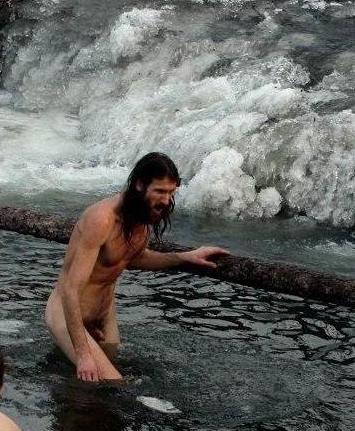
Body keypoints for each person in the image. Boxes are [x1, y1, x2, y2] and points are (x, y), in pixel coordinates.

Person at [45, 153, 228, 382]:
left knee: (102, 383)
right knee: (114, 383)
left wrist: (185, 257)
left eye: (171, 192)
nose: (166, 200)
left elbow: (134, 257)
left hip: (104, 313)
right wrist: (83, 354)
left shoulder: (143, 215)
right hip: (67, 313)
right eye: (160, 191)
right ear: (140, 185)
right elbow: (71, 289)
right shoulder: (101, 219)